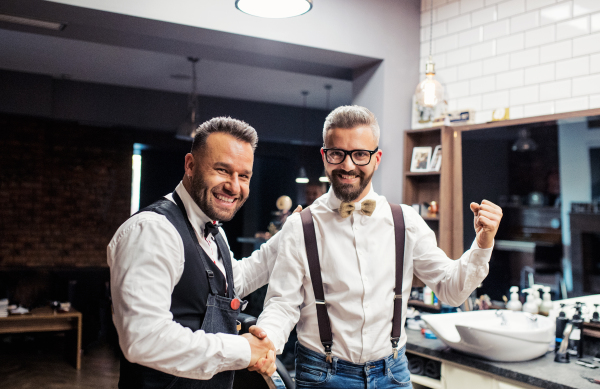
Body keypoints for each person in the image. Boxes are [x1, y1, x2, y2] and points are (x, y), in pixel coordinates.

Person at [256, 105, 503, 388]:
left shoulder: (405, 221)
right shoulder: (300, 226)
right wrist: (266, 342)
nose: (348, 165)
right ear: (325, 157)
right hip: (322, 376)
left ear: (376, 159)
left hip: (393, 374)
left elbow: (452, 290)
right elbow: (282, 305)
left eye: (360, 154)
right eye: (337, 153)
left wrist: (483, 244)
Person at [108, 117, 279, 389]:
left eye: (244, 175)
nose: (234, 186)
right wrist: (242, 350)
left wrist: (290, 237)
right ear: (190, 165)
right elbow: (143, 339)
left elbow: (233, 282)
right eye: (223, 170)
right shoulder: (153, 231)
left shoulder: (214, 231)